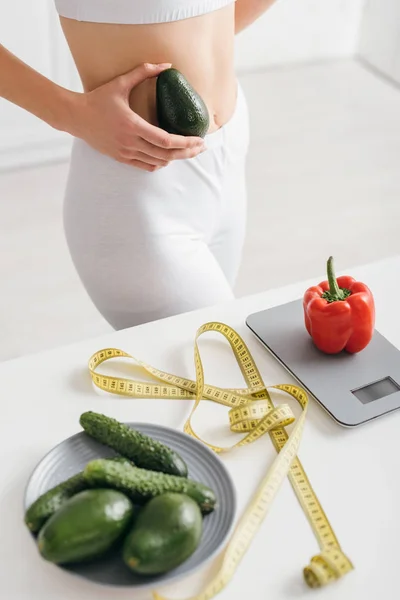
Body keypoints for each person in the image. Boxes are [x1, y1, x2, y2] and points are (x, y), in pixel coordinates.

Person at [0, 1, 277, 330]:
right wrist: (70, 114)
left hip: (228, 155)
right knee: (220, 361)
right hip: (137, 192)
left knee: (210, 364)